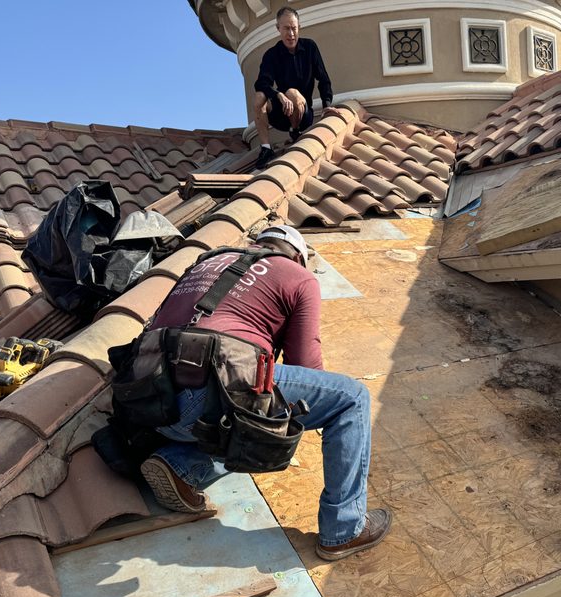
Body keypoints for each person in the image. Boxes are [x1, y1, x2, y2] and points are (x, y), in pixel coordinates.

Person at [138, 225, 391, 561]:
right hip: (205, 392)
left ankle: (179, 465)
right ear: (299, 257)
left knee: (245, 403)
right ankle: (344, 530)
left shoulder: (208, 261)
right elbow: (308, 368)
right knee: (349, 399)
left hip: (148, 401)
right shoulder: (298, 277)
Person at [252, 8, 333, 169]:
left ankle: (295, 132)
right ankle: (266, 148)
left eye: (294, 28)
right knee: (260, 96)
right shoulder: (271, 55)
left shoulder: (310, 48)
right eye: (286, 28)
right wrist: (279, 95)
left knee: (293, 92)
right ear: (278, 29)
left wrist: (327, 105)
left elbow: (323, 78)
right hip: (280, 114)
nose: (291, 34)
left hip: (304, 115)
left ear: (299, 27)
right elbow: (261, 83)